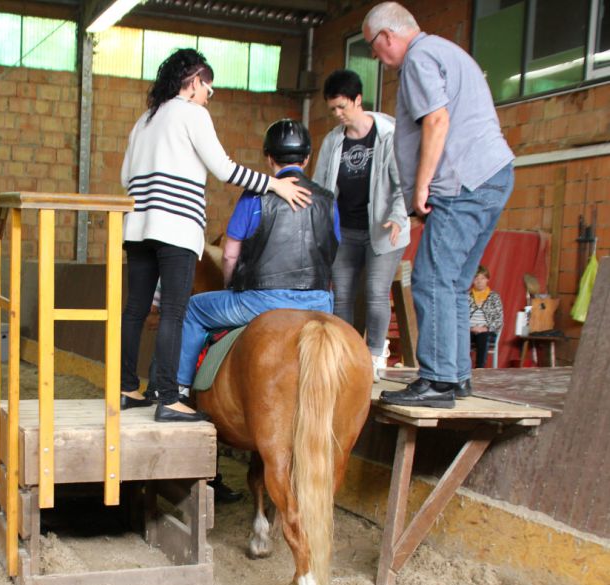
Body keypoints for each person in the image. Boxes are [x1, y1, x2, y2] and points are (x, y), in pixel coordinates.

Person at [119, 49, 311, 423]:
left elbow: (127, 177)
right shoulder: (193, 114)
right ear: (193, 83)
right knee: (175, 311)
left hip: (138, 225)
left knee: (135, 309)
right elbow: (224, 169)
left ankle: (126, 388)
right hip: (176, 226)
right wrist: (274, 185)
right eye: (209, 86)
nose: (210, 94)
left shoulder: (145, 119)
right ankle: (169, 399)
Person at [363, 3, 514, 408]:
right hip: (491, 175)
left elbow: (436, 121)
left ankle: (438, 381)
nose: (377, 57)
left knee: (430, 278)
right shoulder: (449, 51)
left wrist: (421, 187)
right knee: (453, 282)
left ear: (387, 37)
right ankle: (456, 376)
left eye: (373, 48)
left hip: (462, 183)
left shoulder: (418, 59)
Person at [176, 118, 340, 395]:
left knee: (194, 309)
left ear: (268, 157)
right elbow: (332, 251)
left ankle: (179, 389)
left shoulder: (254, 198)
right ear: (308, 157)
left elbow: (229, 255)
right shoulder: (328, 200)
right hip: (319, 303)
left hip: (262, 301)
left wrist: (230, 286)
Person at [313, 69, 409, 382]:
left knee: (375, 292)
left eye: (342, 106)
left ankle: (374, 355)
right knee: (341, 295)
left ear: (358, 100)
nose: (338, 114)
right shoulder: (332, 141)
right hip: (346, 232)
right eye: (333, 109)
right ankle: (346, 355)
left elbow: (402, 183)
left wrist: (397, 215)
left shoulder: (388, 134)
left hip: (383, 230)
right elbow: (320, 187)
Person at [469, 265, 503, 369]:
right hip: (469, 329)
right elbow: (459, 317)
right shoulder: (466, 296)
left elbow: (499, 319)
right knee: (461, 338)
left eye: (482, 278)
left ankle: (480, 368)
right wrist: (470, 328)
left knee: (483, 336)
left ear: (487, 279)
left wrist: (485, 328)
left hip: (487, 330)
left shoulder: (494, 297)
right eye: (476, 278)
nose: (479, 281)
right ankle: (462, 369)